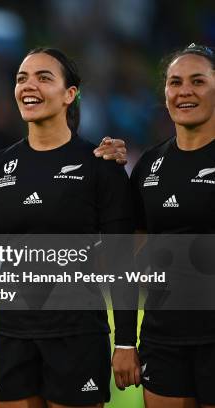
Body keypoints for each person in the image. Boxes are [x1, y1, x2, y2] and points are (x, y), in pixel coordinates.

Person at [0, 47, 134, 408]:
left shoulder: (101, 166)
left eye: (43, 77)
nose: (28, 86)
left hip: (78, 336)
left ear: (70, 94)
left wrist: (126, 343)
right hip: (10, 337)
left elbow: (120, 263)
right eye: (22, 78)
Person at [114, 43, 215, 408]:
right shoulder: (148, 166)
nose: (184, 91)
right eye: (175, 82)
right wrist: (125, 342)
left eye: (198, 81)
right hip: (162, 341)